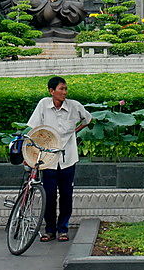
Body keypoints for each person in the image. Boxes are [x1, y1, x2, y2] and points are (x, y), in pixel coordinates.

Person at [27, 76, 91, 242]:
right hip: (48, 159)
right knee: (48, 195)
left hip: (68, 157)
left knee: (66, 194)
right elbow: (34, 129)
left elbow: (88, 119)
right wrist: (28, 154)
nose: (64, 92)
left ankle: (63, 229)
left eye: (65, 89)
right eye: (61, 89)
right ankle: (49, 230)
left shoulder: (74, 106)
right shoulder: (43, 105)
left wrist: (74, 131)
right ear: (51, 91)